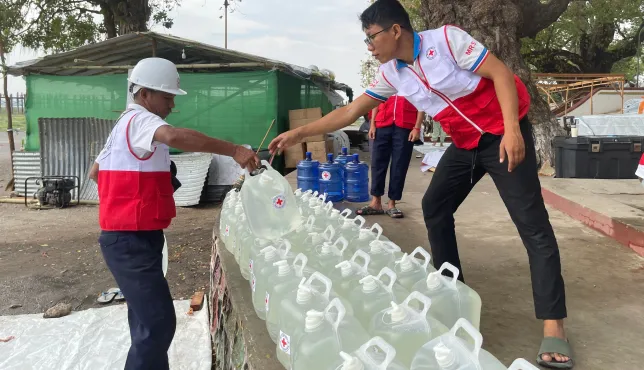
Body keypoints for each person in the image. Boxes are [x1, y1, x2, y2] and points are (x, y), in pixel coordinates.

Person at [267, 1, 572, 368]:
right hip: (465, 144)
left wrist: (512, 131)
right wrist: (297, 132)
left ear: (396, 30)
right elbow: (349, 112)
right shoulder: (392, 74)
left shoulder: (447, 40)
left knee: (533, 226)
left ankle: (555, 326)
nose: (369, 47)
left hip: (502, 134)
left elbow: (502, 75)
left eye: (372, 37)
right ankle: (452, 295)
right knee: (435, 206)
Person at [89, 57, 259, 370]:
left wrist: (138, 191)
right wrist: (234, 150)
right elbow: (175, 136)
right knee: (158, 324)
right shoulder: (141, 120)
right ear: (144, 95)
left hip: (133, 236)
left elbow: (95, 173)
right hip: (130, 241)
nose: (171, 106)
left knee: (145, 322)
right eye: (167, 98)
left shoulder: (123, 125)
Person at [356, 94, 424, 218]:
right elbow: (376, 100)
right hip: (381, 123)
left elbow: (421, 102)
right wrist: (372, 125)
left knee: (400, 164)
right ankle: (375, 203)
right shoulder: (385, 77)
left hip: (405, 125)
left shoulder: (414, 78)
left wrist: (417, 128)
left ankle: (392, 204)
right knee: (377, 163)